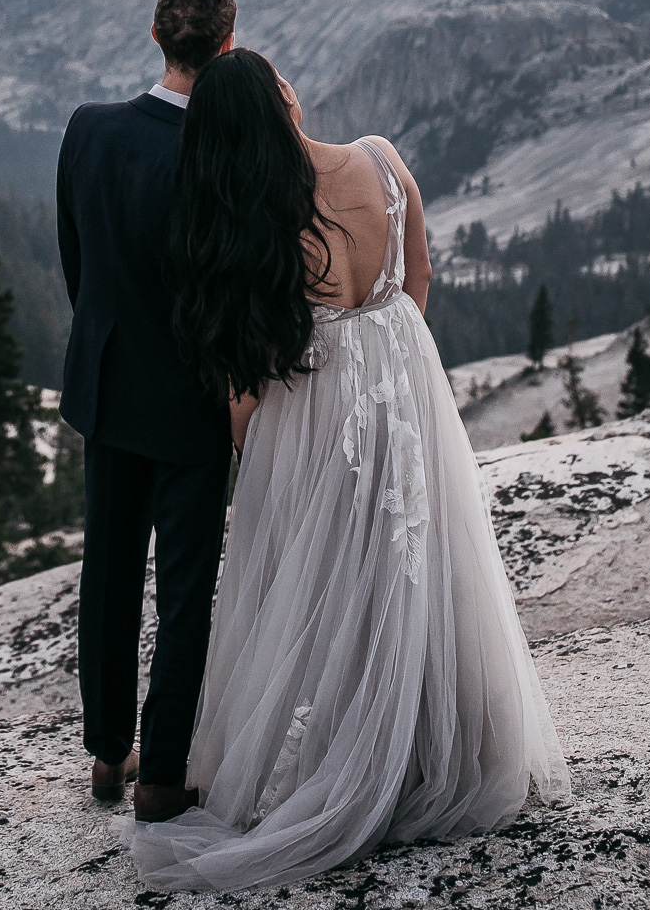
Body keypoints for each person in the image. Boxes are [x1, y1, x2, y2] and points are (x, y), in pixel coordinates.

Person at [133, 48, 571, 891]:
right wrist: (391, 358)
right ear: (285, 98)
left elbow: (251, 375)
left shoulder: (260, 215)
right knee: (423, 564)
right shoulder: (381, 158)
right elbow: (421, 277)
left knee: (330, 575)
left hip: (320, 399)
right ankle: (435, 745)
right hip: (406, 369)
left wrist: (249, 443)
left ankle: (349, 754)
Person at [56, 0, 236, 822]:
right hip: (192, 402)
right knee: (186, 589)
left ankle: (104, 752)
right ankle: (162, 775)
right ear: (227, 46)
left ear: (156, 37)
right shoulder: (219, 158)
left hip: (107, 385)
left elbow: (77, 266)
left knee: (110, 571)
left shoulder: (87, 132)